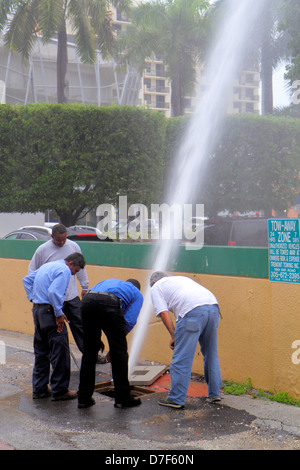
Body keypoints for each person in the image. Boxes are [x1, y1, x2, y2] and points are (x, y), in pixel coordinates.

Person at [149, 271, 222, 409]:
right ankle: (214, 393)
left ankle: (176, 399)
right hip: (213, 309)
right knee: (211, 354)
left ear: (153, 283)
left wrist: (173, 335)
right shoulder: (179, 280)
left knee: (181, 358)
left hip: (192, 312)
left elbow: (164, 313)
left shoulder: (156, 287)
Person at [23, 253, 86, 401]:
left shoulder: (47, 266)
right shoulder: (64, 270)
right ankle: (60, 390)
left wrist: (32, 297)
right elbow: (53, 292)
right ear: (70, 264)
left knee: (41, 351)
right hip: (50, 311)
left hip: (38, 310)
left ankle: (39, 388)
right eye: (75, 271)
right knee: (60, 350)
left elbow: (26, 280)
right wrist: (58, 313)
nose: (73, 274)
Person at [78, 278, 143, 409]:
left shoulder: (110, 282)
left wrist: (97, 339)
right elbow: (129, 321)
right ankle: (122, 399)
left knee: (89, 354)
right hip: (109, 304)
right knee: (120, 356)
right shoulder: (136, 293)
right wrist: (115, 347)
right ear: (137, 287)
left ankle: (83, 399)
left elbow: (94, 302)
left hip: (87, 301)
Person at [28, 224, 89, 353]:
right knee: (54, 330)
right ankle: (53, 356)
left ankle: (90, 354)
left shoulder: (74, 246)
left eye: (64, 239)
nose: (61, 243)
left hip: (70, 296)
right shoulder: (42, 250)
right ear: (51, 237)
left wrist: (84, 285)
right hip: (51, 299)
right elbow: (32, 272)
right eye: (58, 240)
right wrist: (34, 295)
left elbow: (81, 267)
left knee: (80, 325)